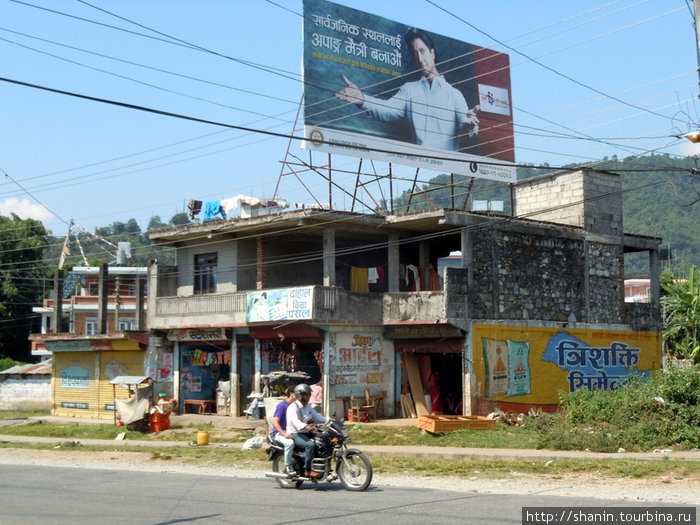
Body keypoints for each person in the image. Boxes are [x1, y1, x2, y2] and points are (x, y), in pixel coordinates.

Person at [334, 27, 480, 152]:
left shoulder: (453, 95)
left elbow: (466, 123)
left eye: (422, 51)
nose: (420, 58)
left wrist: (469, 126)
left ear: (433, 53)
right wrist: (362, 99)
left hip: (447, 170)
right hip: (418, 165)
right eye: (415, 53)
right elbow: (387, 109)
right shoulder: (409, 90)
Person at [286, 382, 331, 479]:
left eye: (309, 394)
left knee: (323, 440)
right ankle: (307, 470)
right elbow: (294, 421)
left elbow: (316, 417)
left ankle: (320, 464)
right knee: (309, 445)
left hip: (306, 433)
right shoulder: (293, 407)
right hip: (295, 433)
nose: (309, 396)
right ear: (300, 395)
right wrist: (305, 427)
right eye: (306, 394)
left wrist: (329, 420)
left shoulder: (307, 406)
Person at [270, 388, 297, 476]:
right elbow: (275, 422)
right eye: (298, 394)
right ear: (291, 393)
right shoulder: (282, 406)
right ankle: (288, 466)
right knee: (289, 443)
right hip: (279, 433)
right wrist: (284, 434)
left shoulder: (296, 406)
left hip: (292, 431)